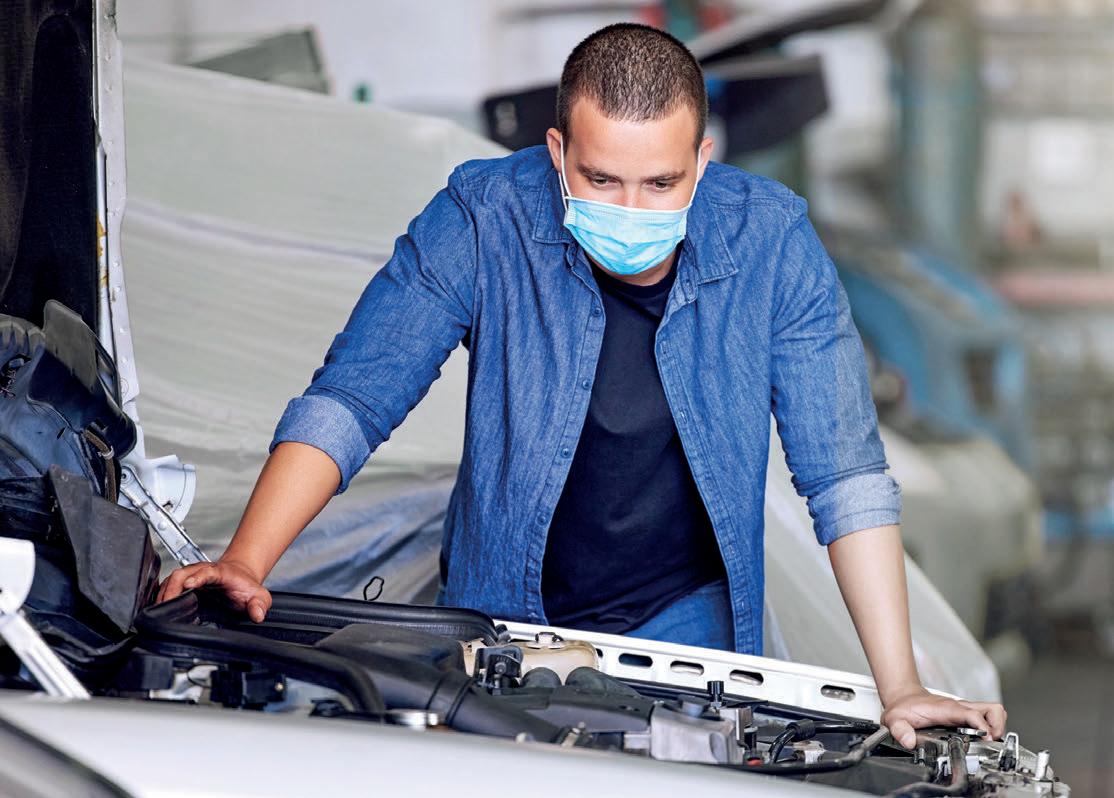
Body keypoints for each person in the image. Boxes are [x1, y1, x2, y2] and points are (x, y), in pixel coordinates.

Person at [158, 23, 1006, 748]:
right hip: (500, 621)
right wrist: (246, 559)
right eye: (602, 180)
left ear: (702, 161)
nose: (631, 210)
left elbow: (844, 473)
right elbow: (355, 396)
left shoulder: (772, 243)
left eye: (661, 183)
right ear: (558, 153)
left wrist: (898, 685)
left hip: (689, 629)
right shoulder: (484, 217)